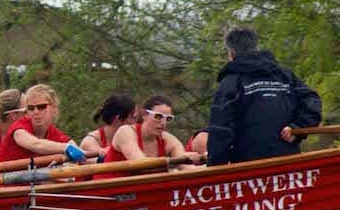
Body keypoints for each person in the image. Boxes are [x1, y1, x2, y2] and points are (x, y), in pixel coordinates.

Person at [207, 28, 322, 166]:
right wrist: (299, 125)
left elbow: (220, 130)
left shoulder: (230, 83)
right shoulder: (285, 76)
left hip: (249, 170)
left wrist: (215, 167)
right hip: (289, 168)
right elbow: (312, 100)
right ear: (257, 47)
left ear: (231, 53)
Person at [94, 95, 201, 179]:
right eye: (158, 117)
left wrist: (205, 165)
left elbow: (188, 169)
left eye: (168, 119)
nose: (163, 123)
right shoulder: (126, 132)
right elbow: (141, 164)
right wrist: (176, 161)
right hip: (108, 191)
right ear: (144, 114)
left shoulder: (170, 140)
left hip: (140, 193)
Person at [0, 84, 86, 163]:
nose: (36, 112)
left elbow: (80, 153)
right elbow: (35, 144)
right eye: (31, 108)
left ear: (54, 108)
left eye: (41, 107)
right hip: (0, 181)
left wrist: (98, 158)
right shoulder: (19, 128)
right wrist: (66, 148)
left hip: (28, 182)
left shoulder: (56, 134)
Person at [80, 93, 136, 159]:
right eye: (132, 117)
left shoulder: (135, 135)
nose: (136, 122)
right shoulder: (90, 142)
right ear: (118, 119)